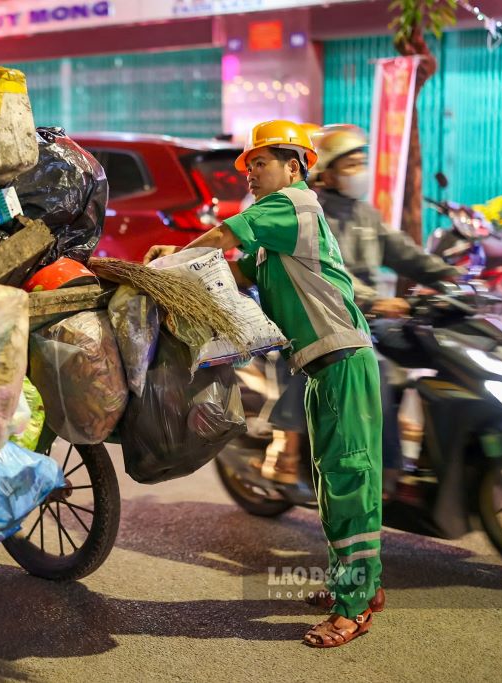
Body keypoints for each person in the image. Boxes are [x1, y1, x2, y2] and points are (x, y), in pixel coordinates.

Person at [145, 120, 383, 647]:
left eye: (260, 163)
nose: (250, 173)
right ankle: (357, 584)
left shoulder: (293, 205)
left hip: (343, 359)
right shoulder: (276, 232)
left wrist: (181, 254)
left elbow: (226, 235)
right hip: (320, 365)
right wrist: (177, 266)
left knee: (349, 478)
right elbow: (235, 273)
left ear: (294, 165)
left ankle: (356, 606)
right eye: (249, 165)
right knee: (328, 480)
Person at [260, 124, 461, 489]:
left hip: (372, 320)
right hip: (330, 320)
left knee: (440, 348)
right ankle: (384, 472)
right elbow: (330, 273)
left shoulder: (365, 215)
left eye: (362, 162)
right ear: (327, 173)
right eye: (350, 164)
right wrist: (376, 300)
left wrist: (452, 277)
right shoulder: (309, 213)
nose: (360, 170)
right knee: (377, 368)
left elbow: (405, 253)